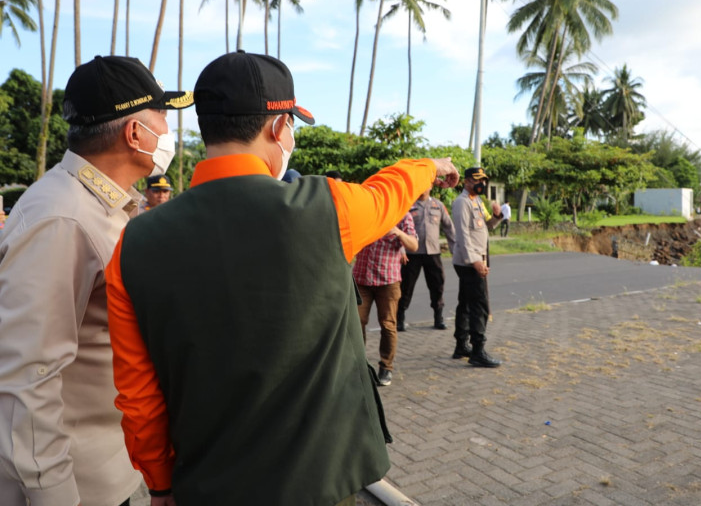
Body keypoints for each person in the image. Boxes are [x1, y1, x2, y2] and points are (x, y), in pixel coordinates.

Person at [104, 50, 459, 506]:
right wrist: (431, 165)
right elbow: (388, 190)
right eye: (291, 125)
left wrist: (160, 483)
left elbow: (139, 394)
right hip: (321, 484)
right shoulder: (329, 207)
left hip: (207, 485)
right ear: (278, 128)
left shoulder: (134, 243)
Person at [0, 55, 193, 506]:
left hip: (107, 468)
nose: (167, 130)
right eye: (162, 115)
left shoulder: (97, 206)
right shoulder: (63, 217)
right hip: (76, 485)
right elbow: (26, 375)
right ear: (134, 133)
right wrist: (55, 494)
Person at [353, 212, 418, 387]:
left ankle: (386, 367)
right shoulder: (366, 210)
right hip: (361, 278)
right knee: (356, 323)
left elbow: (414, 245)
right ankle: (358, 366)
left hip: (387, 280)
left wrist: (398, 233)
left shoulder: (403, 215)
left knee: (388, 324)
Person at [451, 166, 503, 368]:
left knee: (465, 302)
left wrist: (497, 217)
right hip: (469, 262)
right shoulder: (461, 203)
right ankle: (478, 351)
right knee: (479, 305)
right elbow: (462, 236)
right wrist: (475, 262)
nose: (481, 184)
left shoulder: (477, 201)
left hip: (475, 260)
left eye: (483, 180)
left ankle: (461, 345)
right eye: (477, 180)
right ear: (466, 182)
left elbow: (486, 226)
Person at [397, 188, 456, 331]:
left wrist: (456, 250)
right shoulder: (407, 205)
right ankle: (400, 319)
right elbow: (398, 229)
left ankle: (438, 318)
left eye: (426, 185)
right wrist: (401, 250)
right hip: (412, 254)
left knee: (437, 285)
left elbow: (449, 228)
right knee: (406, 287)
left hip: (433, 253)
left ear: (430, 187)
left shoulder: (438, 205)